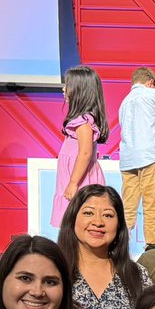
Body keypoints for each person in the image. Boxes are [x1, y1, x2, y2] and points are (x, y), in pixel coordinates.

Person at [58, 183, 151, 309]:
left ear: (119, 225)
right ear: (72, 219)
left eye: (108, 215)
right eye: (88, 213)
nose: (98, 222)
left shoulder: (138, 275)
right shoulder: (55, 272)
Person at [118, 66, 155, 249]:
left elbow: (139, 134)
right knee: (151, 206)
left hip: (128, 160)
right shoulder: (153, 95)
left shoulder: (124, 102)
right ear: (151, 83)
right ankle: (151, 248)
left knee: (127, 209)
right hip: (150, 158)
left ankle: (118, 247)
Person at [50, 65, 108, 228]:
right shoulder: (79, 120)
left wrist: (73, 182)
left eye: (67, 85)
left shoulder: (84, 122)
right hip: (73, 177)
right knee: (73, 223)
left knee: (81, 220)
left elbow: (85, 153)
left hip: (80, 180)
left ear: (79, 90)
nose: (64, 89)